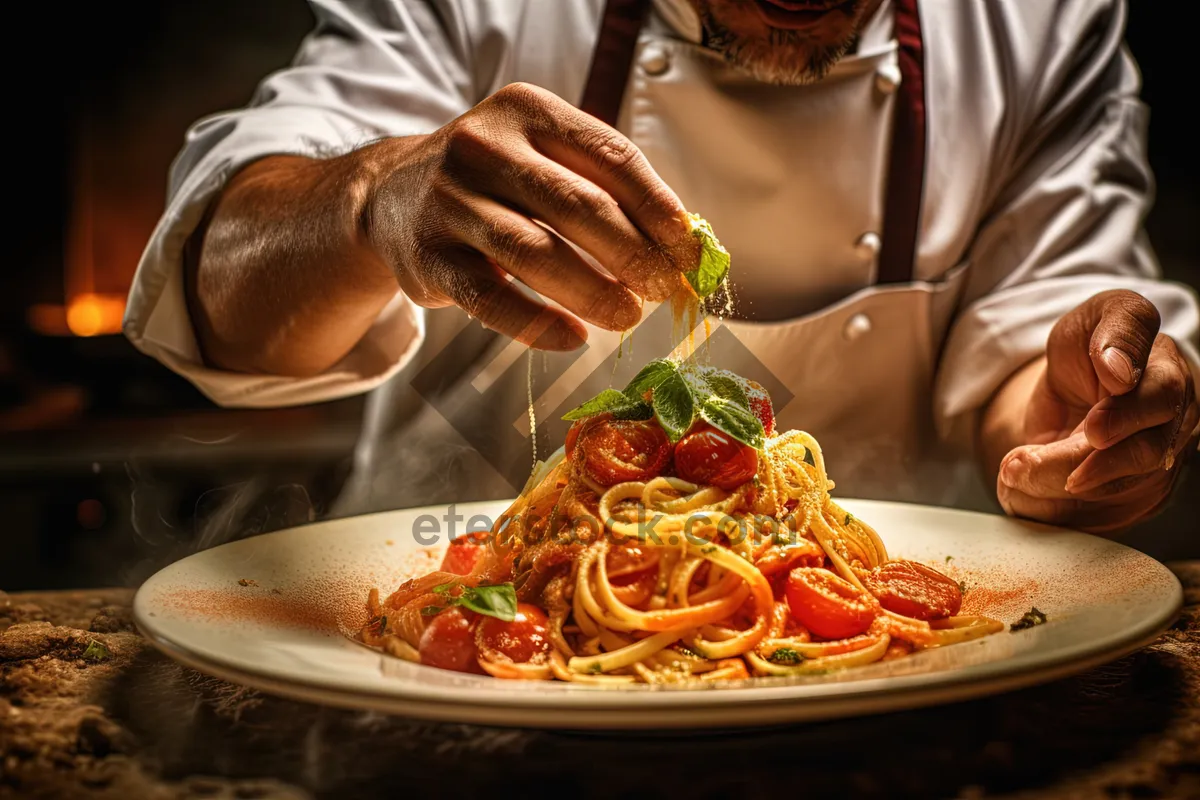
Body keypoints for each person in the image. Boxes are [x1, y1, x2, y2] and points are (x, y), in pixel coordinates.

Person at [124, 0, 1199, 535]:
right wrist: (370, 200)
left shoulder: (1042, 20)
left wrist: (1086, 421)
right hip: (445, 684)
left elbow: (1036, 379)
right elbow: (219, 291)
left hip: (885, 687)